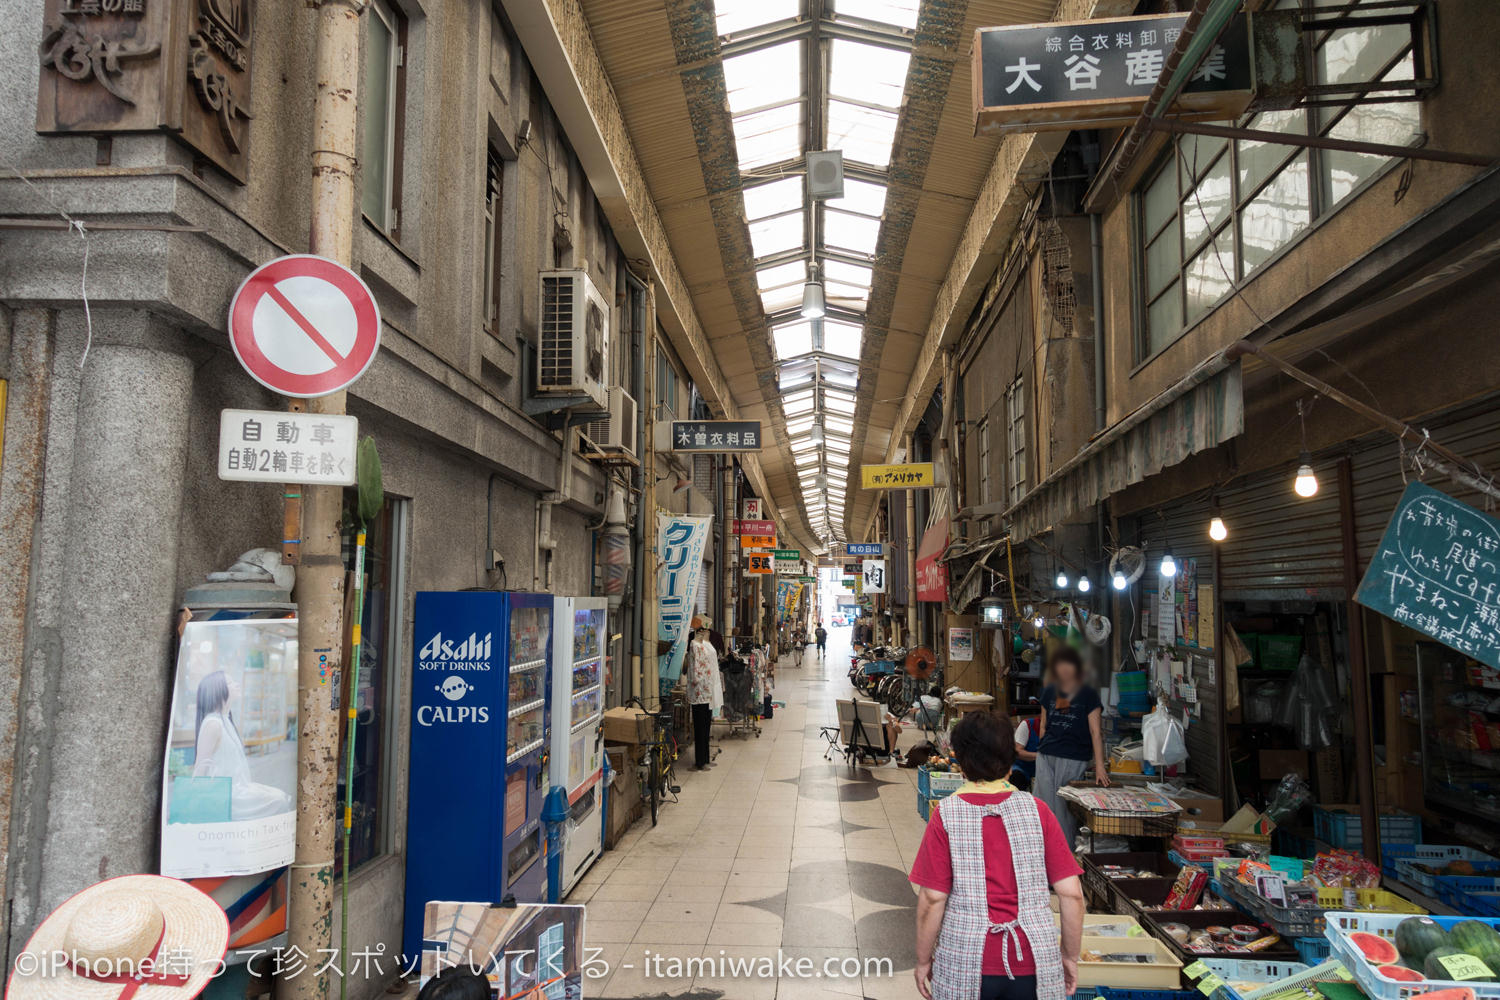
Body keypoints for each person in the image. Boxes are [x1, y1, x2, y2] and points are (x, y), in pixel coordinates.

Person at [910, 711, 1085, 1000]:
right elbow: (1071, 894)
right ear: (1009, 761)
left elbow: (932, 898)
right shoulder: (1038, 810)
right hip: (1034, 965)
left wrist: (923, 958)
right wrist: (1069, 955)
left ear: (961, 761)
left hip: (965, 963)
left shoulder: (947, 815)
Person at [1034, 647, 1109, 848]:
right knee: (1042, 808)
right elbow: (1043, 725)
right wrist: (1041, 749)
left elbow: (1095, 732)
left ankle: (1063, 859)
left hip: (1073, 756)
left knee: (1064, 812)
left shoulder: (1088, 694)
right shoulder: (1050, 690)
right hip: (1047, 754)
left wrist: (1100, 766)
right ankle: (1042, 857)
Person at [193, 670, 292, 820]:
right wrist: (197, 806)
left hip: (238, 789)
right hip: (225, 796)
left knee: (281, 797)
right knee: (279, 801)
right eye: (231, 683)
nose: (237, 685)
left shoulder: (225, 720)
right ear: (218, 690)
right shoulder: (213, 724)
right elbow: (200, 768)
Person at [683, 629, 723, 770]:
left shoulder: (704, 643)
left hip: (707, 691)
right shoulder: (694, 645)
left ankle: (705, 758)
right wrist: (701, 682)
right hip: (699, 692)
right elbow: (695, 672)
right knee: (700, 727)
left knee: (706, 726)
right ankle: (699, 761)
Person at [1008, 713, 1040, 791]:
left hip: (1044, 770)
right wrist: (1040, 756)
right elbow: (1017, 751)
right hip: (1022, 768)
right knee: (1016, 777)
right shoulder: (1028, 724)